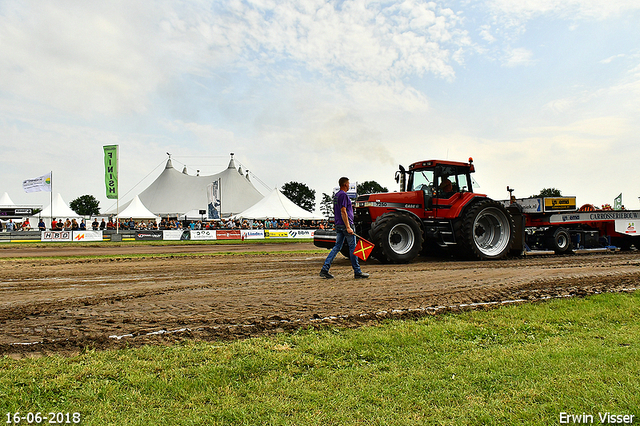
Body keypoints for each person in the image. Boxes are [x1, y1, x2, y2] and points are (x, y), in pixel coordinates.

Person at [319, 177, 369, 279]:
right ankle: (357, 271)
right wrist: (348, 227)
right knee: (352, 247)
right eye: (348, 183)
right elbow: (343, 211)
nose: (349, 185)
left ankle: (325, 269)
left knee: (337, 247)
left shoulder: (336, 196)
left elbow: (337, 210)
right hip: (346, 225)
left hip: (338, 224)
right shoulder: (344, 195)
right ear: (345, 184)